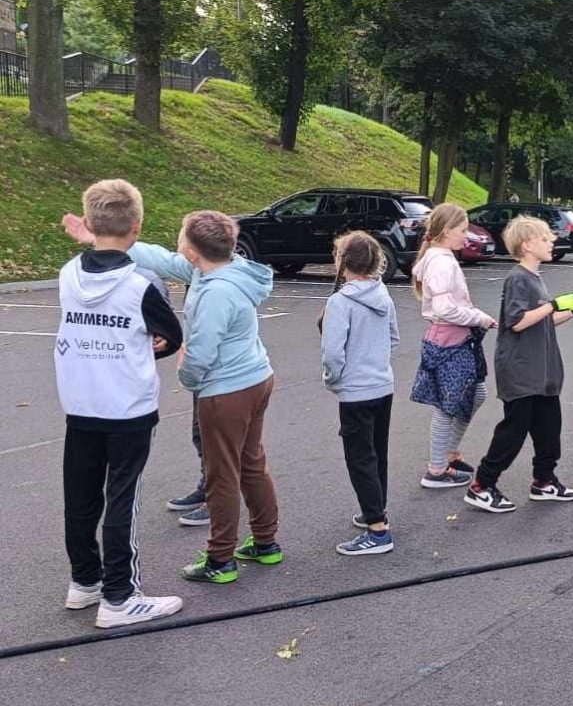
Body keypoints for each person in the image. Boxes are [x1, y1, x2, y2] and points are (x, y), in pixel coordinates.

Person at [70, 209, 283, 584]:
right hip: (255, 378)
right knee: (250, 462)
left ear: (193, 249)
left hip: (227, 391)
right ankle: (266, 543)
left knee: (223, 475)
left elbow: (200, 353)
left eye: (181, 237)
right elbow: (159, 259)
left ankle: (220, 559)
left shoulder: (216, 291)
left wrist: (186, 377)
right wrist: (100, 241)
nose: (177, 244)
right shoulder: (218, 268)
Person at [55, 181, 187, 628]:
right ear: (138, 226)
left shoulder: (69, 273)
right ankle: (119, 595)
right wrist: (147, 345)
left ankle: (84, 580)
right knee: (121, 499)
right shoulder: (141, 284)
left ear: (89, 225)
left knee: (81, 495)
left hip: (81, 400)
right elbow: (172, 336)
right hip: (127, 407)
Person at [465, 217, 573, 513]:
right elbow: (517, 322)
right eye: (546, 238)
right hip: (521, 371)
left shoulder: (535, 278)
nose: (552, 241)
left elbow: (543, 320)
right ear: (528, 245)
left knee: (549, 428)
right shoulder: (518, 278)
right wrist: (555, 304)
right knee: (513, 431)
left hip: (541, 373)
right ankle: (482, 485)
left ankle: (544, 481)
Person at [320, 231, 401, 556]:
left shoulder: (339, 303)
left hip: (355, 391)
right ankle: (375, 509)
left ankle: (377, 530)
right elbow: (393, 338)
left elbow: (333, 353)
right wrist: (376, 361)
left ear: (342, 261)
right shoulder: (382, 294)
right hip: (382, 385)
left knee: (359, 457)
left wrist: (333, 379)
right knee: (376, 452)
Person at [409, 202, 497, 487]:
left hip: (456, 339)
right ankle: (436, 469)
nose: (466, 235)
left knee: (476, 393)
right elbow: (446, 309)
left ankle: (449, 454)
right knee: (448, 405)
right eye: (462, 230)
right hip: (450, 341)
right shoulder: (442, 262)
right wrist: (479, 317)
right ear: (446, 231)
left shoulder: (439, 257)